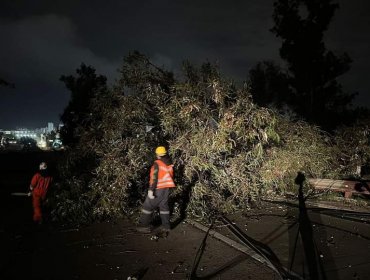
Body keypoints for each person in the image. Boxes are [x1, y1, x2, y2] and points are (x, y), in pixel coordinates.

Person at [137, 146, 175, 233]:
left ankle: (143, 226)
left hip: (158, 188)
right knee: (164, 207)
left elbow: (154, 177)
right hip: (167, 188)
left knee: (147, 206)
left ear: (157, 155)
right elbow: (171, 176)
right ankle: (166, 226)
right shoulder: (169, 163)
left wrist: (151, 190)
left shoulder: (157, 163)